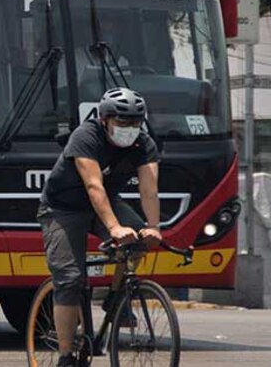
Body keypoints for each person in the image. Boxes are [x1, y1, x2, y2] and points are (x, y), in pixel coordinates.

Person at [38, 87, 163, 366]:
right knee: (69, 279)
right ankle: (66, 355)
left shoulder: (144, 145)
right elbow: (94, 186)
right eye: (122, 122)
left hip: (105, 203)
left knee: (139, 238)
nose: (129, 128)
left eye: (135, 123)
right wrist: (114, 228)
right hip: (63, 208)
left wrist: (153, 226)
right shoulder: (86, 136)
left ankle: (115, 299)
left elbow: (149, 190)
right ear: (105, 119)